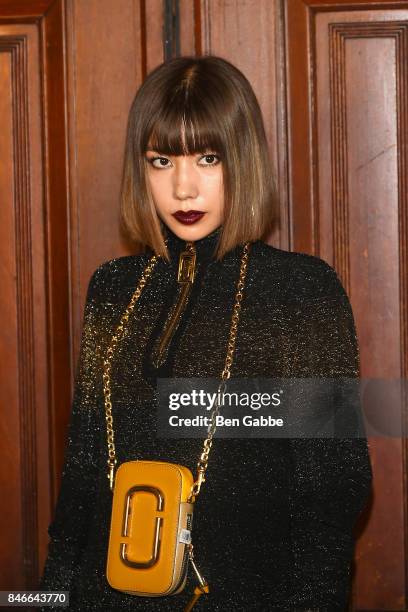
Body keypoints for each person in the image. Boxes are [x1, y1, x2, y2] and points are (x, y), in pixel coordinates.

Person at [39, 55, 373, 611]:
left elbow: (331, 496)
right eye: (161, 160)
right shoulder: (113, 288)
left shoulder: (300, 289)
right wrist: (47, 601)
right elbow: (79, 481)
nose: (184, 187)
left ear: (242, 161)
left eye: (208, 158)